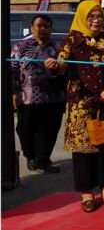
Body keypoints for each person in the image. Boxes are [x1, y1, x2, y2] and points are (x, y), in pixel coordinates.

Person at [44, 0, 104, 213]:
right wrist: (54, 65)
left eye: (98, 16)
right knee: (83, 152)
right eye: (91, 17)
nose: (96, 21)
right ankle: (86, 192)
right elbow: (62, 64)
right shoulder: (72, 40)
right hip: (80, 104)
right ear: (81, 17)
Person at [11, 14, 65, 173]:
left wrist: (57, 68)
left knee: (49, 130)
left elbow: (64, 71)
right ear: (32, 28)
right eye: (39, 26)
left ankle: (43, 160)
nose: (42, 29)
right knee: (25, 129)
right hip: (27, 97)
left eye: (46, 26)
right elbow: (13, 70)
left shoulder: (57, 48)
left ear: (51, 29)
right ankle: (30, 156)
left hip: (53, 97)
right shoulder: (21, 47)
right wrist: (14, 92)